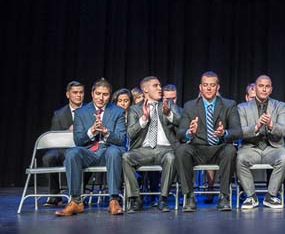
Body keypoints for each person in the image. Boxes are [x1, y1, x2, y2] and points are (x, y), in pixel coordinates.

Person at [55, 78, 127, 216]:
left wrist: (105, 131)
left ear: (110, 96)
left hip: (108, 152)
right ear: (92, 93)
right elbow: (78, 140)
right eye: (98, 93)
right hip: (89, 153)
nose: (101, 97)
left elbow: (121, 139)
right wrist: (92, 131)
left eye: (105, 94)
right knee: (72, 153)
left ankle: (114, 200)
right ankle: (76, 201)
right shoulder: (81, 112)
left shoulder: (118, 112)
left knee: (113, 151)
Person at [175, 71, 240, 212]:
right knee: (181, 150)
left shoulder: (229, 105)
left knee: (230, 150)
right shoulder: (190, 106)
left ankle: (223, 197)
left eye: (212, 85)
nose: (209, 88)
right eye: (205, 85)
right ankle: (189, 196)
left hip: (218, 148)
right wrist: (189, 132)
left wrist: (224, 133)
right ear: (200, 87)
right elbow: (180, 133)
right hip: (197, 149)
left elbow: (237, 131)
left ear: (218, 87)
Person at [122, 76, 180, 212]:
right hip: (143, 150)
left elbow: (181, 122)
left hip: (165, 149)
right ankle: (135, 199)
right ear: (145, 89)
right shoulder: (135, 109)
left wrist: (168, 114)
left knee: (171, 158)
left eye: (160, 85)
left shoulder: (168, 105)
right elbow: (130, 133)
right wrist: (143, 119)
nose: (160, 88)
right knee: (126, 157)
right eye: (156, 86)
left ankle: (163, 199)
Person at [236, 75, 285, 209]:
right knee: (240, 158)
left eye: (267, 87)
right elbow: (240, 132)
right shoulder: (242, 107)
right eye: (261, 86)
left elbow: (284, 131)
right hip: (251, 147)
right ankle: (250, 196)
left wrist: (271, 125)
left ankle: (271, 196)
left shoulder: (280, 106)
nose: (264, 89)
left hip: (273, 148)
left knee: (284, 156)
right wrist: (256, 126)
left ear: (271, 89)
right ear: (255, 87)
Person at [42, 81, 84, 206]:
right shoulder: (59, 114)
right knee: (48, 157)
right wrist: (68, 132)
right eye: (75, 92)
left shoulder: (90, 110)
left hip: (84, 147)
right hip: (63, 148)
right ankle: (55, 195)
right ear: (68, 94)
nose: (78, 95)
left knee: (86, 155)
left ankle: (80, 194)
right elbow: (54, 136)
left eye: (81, 92)